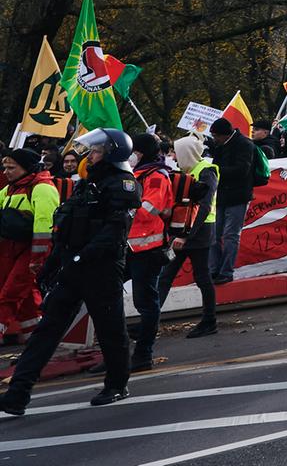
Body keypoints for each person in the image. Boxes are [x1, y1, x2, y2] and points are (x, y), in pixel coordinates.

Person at [0, 129, 139, 415]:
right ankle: (17, 394)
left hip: (101, 269)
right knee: (46, 331)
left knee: (110, 330)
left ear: (111, 154)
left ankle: (116, 384)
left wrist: (79, 257)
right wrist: (52, 264)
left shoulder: (123, 185)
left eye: (97, 151)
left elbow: (113, 233)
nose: (90, 155)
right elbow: (65, 227)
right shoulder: (86, 184)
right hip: (73, 267)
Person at [124, 132, 176, 373]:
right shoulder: (139, 174)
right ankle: (120, 352)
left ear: (141, 153)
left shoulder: (156, 176)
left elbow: (150, 208)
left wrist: (122, 211)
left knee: (146, 303)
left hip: (147, 248)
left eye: (133, 151)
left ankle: (143, 354)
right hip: (131, 246)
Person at [160, 135, 220, 343]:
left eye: (177, 152)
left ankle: (209, 321)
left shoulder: (206, 171)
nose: (174, 156)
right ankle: (150, 320)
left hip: (198, 232)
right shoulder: (189, 171)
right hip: (187, 232)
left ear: (187, 153)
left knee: (201, 277)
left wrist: (186, 236)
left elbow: (203, 207)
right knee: (166, 275)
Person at [0, 149, 59, 345]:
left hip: (31, 250)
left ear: (26, 168)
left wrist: (37, 259)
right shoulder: (11, 189)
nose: (6, 172)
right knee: (22, 295)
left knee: (10, 294)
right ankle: (35, 336)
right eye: (5, 167)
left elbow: (44, 227)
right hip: (11, 249)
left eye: (11, 168)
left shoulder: (42, 188)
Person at [205, 117, 262, 285]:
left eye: (215, 136)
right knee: (214, 235)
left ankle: (226, 271)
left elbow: (242, 170)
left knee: (231, 236)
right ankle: (214, 269)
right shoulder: (221, 145)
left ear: (224, 135)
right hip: (222, 196)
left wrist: (216, 170)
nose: (214, 139)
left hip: (238, 196)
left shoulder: (245, 145)